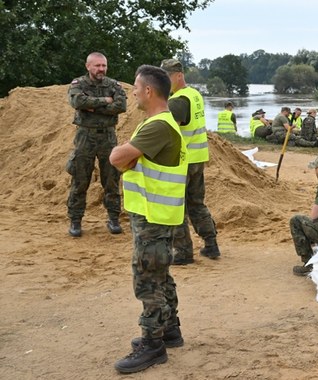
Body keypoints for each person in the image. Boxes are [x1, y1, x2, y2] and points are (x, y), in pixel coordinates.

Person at [109, 65, 188, 373]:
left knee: (148, 277)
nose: (133, 93)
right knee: (161, 273)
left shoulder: (158, 126)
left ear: (149, 92)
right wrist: (130, 157)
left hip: (154, 216)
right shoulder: (160, 123)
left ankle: (152, 344)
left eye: (136, 89)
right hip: (158, 214)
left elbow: (117, 158)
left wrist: (126, 157)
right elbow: (127, 159)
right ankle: (170, 329)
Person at [161, 59, 221, 264]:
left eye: (167, 77)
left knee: (176, 206)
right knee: (197, 203)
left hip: (181, 161)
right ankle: (211, 244)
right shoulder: (194, 94)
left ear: (179, 75)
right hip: (197, 159)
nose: (165, 82)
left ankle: (184, 252)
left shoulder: (177, 101)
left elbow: (170, 131)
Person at [66, 52, 127, 237]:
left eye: (104, 66)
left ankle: (114, 219)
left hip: (108, 138)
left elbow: (121, 105)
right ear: (88, 66)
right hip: (85, 136)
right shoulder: (78, 84)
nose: (101, 69)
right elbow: (77, 101)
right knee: (80, 179)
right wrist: (105, 102)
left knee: (111, 180)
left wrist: (92, 106)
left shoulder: (113, 85)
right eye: (97, 65)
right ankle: (75, 221)